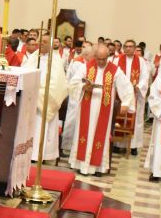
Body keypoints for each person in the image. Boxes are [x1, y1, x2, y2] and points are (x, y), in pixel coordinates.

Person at [68, 43, 135, 176]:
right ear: (94, 56)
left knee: (100, 137)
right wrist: (83, 87)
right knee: (84, 134)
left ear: (108, 57)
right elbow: (73, 83)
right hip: (86, 107)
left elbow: (127, 86)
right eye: (98, 58)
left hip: (104, 108)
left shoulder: (115, 70)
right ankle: (81, 164)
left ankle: (98, 167)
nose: (101, 62)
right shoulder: (86, 66)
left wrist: (126, 103)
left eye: (104, 59)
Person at [26, 34, 68, 162]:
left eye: (44, 42)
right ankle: (28, 153)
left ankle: (40, 155)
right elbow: (26, 73)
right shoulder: (34, 57)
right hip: (31, 98)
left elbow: (58, 83)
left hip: (45, 98)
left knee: (42, 126)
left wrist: (41, 92)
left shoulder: (56, 59)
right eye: (40, 42)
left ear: (50, 44)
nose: (41, 44)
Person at [112, 40, 149, 156]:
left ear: (135, 48)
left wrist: (139, 86)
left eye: (131, 46)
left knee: (135, 120)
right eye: (126, 46)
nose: (128, 49)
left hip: (135, 95)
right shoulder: (117, 60)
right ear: (123, 48)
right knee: (119, 118)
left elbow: (145, 77)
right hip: (120, 95)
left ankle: (133, 145)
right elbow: (113, 75)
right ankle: (117, 144)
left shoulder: (141, 61)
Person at [61, 41, 94, 154]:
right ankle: (67, 146)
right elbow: (71, 79)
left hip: (88, 96)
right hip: (75, 96)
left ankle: (81, 147)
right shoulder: (77, 63)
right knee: (72, 120)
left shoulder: (93, 64)